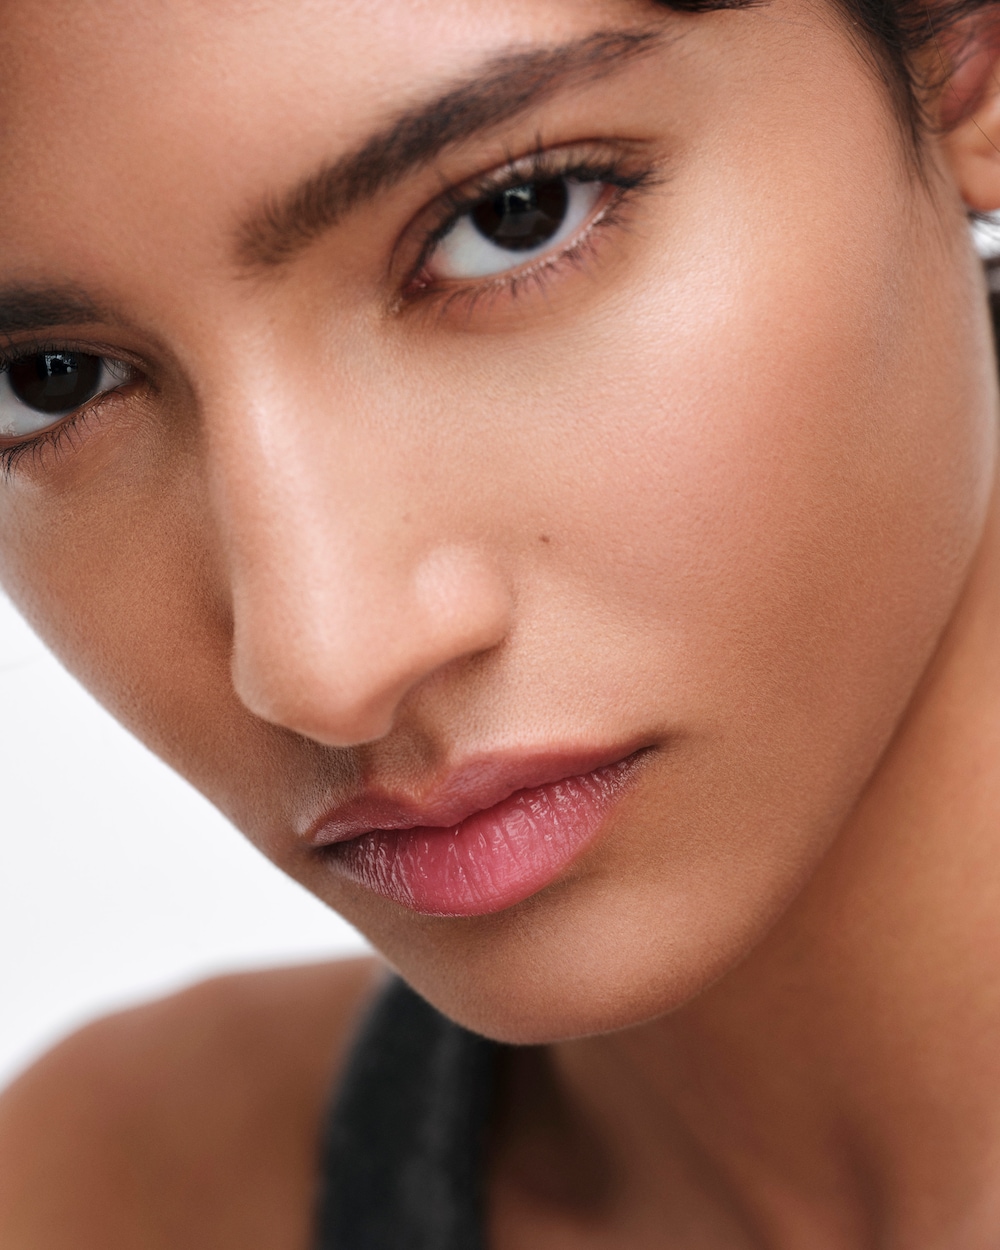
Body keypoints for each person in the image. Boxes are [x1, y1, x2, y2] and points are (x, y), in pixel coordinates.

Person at [2, 0, 1000, 1243]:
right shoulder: (119, 1194)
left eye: (512, 217)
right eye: (48, 379)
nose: (323, 663)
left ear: (969, 62)